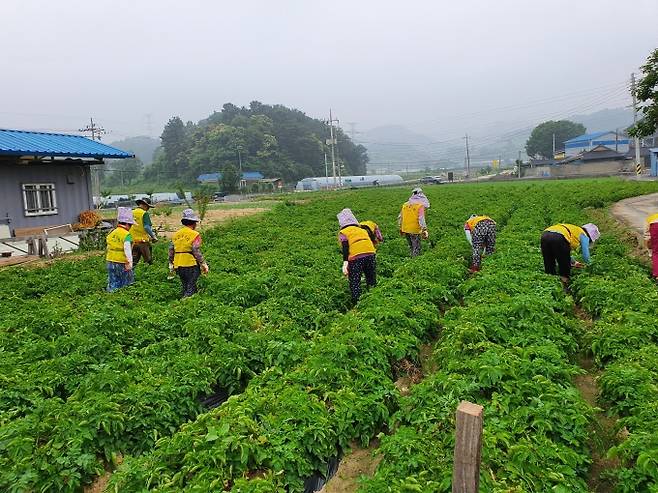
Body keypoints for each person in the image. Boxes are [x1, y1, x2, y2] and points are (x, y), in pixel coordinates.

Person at [540, 222, 600, 287]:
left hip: (545, 235)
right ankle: (564, 282)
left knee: (548, 260)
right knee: (564, 265)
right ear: (590, 237)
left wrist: (573, 262)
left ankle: (550, 280)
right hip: (559, 238)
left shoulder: (574, 230)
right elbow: (585, 254)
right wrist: (589, 266)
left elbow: (563, 253)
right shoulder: (584, 235)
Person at [337, 208, 377, 302]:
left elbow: (345, 247)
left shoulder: (344, 232)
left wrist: (345, 263)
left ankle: (357, 302)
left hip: (356, 257)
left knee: (355, 280)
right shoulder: (361, 230)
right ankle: (374, 297)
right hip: (370, 253)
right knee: (371, 277)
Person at [169, 209, 209, 298]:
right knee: (191, 287)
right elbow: (195, 250)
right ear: (194, 223)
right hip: (190, 264)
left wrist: (171, 262)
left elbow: (171, 250)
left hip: (178, 264)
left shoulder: (175, 234)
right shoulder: (195, 234)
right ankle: (183, 304)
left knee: (185, 286)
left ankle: (182, 302)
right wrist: (203, 263)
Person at [106, 207, 135, 292]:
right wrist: (130, 263)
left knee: (113, 280)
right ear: (127, 224)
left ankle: (111, 297)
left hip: (110, 260)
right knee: (126, 282)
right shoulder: (126, 234)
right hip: (122, 261)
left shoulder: (112, 232)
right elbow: (127, 250)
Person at [398, 188, 430, 257]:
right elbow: (421, 218)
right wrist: (424, 229)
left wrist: (400, 227)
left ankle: (411, 259)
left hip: (405, 229)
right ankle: (415, 261)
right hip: (414, 230)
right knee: (416, 247)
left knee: (411, 246)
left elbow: (400, 217)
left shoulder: (405, 205)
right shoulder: (420, 205)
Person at [130, 198, 158, 265]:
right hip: (143, 242)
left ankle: (131, 274)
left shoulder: (131, 212)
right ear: (145, 205)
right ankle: (148, 273)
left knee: (133, 262)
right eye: (148, 207)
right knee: (149, 261)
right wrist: (153, 236)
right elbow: (146, 227)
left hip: (132, 241)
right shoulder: (144, 213)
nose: (148, 209)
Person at [644, 212, 658, 280]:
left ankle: (657, 275)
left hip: (655, 227)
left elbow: (647, 237)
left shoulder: (650, 218)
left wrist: (650, 253)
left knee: (656, 253)